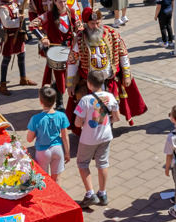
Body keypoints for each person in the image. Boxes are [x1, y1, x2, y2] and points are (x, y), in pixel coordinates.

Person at [74, 71, 121, 208]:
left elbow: (77, 123)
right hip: (105, 136)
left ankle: (90, 194)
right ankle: (103, 193)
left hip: (88, 138)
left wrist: (84, 124)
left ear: (89, 84)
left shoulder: (85, 100)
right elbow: (117, 118)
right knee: (103, 163)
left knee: (82, 163)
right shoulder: (110, 96)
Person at [26, 87, 71, 182]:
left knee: (43, 179)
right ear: (55, 101)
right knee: (56, 179)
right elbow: (65, 136)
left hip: (42, 152)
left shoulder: (35, 119)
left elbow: (29, 139)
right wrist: (67, 152)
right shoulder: (61, 116)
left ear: (40, 101)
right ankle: (56, 196)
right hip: (57, 149)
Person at [0, 0, 28, 96]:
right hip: (9, 36)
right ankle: (2, 84)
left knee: (21, 55)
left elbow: (22, 7)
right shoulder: (2, 8)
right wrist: (18, 20)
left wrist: (24, 0)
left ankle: (23, 78)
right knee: (6, 59)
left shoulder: (14, 1)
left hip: (18, 34)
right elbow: (7, 23)